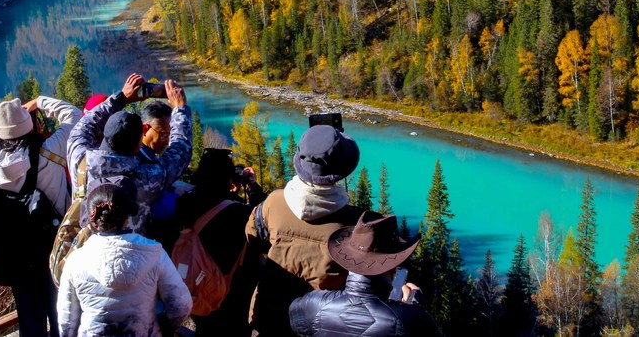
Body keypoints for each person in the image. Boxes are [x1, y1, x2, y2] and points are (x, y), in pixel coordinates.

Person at [245, 125, 364, 334]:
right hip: (317, 325)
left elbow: (252, 237)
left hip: (267, 318)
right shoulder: (354, 224)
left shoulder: (273, 202)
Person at [0, 95, 82, 337]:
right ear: (29, 125)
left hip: (18, 250)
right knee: (63, 314)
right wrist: (39, 101)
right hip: (55, 245)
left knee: (30, 319)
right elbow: (74, 115)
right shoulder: (50, 151)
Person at [57, 178, 192, 337]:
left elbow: (66, 322)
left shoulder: (76, 260)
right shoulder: (155, 253)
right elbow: (181, 306)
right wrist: (163, 328)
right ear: (127, 217)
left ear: (93, 221)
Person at [69, 73, 192, 233]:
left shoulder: (79, 158)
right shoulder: (146, 177)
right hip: (130, 254)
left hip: (84, 251)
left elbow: (86, 125)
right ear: (137, 146)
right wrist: (180, 108)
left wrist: (122, 97)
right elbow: (180, 151)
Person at [289, 212, 440, 336]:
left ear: (349, 260)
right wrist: (416, 306)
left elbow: (296, 323)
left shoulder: (315, 305)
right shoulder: (409, 319)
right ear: (393, 266)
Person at [172, 149, 256, 336]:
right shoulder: (238, 213)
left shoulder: (184, 203)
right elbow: (260, 220)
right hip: (230, 295)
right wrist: (251, 188)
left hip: (196, 286)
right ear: (228, 178)